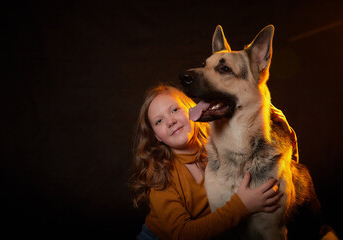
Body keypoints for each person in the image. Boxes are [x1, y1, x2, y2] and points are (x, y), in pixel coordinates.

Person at [128, 84, 298, 240]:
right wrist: (242, 206)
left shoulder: (221, 141)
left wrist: (285, 131)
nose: (170, 121)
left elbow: (282, 172)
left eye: (175, 110)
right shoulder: (160, 175)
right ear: (157, 136)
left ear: (192, 109)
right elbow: (181, 234)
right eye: (159, 121)